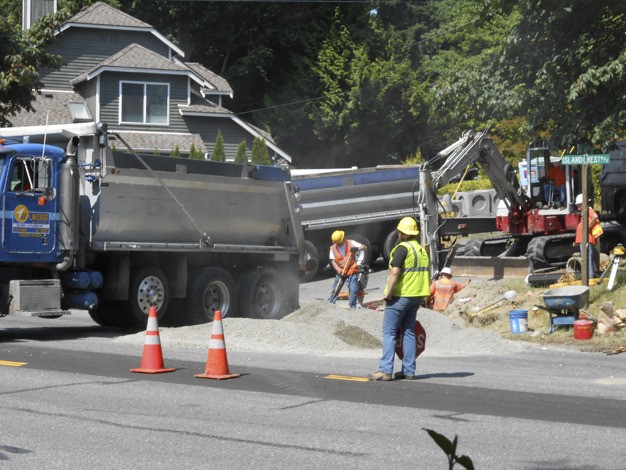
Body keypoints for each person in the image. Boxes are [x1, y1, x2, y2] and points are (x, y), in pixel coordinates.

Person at [369, 217, 430, 381]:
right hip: (416, 296)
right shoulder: (421, 250)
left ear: (402, 233)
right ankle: (409, 370)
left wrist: (388, 294)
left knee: (389, 333)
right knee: (408, 331)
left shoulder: (402, 249)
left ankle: (385, 370)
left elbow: (394, 273)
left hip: (401, 295)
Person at [328, 230, 367, 308]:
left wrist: (357, 248)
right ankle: (330, 305)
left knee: (353, 289)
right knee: (336, 288)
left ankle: (352, 308)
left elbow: (365, 247)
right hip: (341, 271)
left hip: (351, 269)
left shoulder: (351, 243)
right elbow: (333, 261)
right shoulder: (333, 248)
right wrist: (339, 271)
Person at [573, 193, 601, 278]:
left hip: (586, 239)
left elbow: (595, 216)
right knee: (586, 258)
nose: (577, 206)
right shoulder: (584, 211)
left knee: (587, 258)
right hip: (584, 239)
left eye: (579, 204)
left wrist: (589, 225)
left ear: (583, 203)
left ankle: (590, 277)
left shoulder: (588, 209)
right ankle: (590, 276)